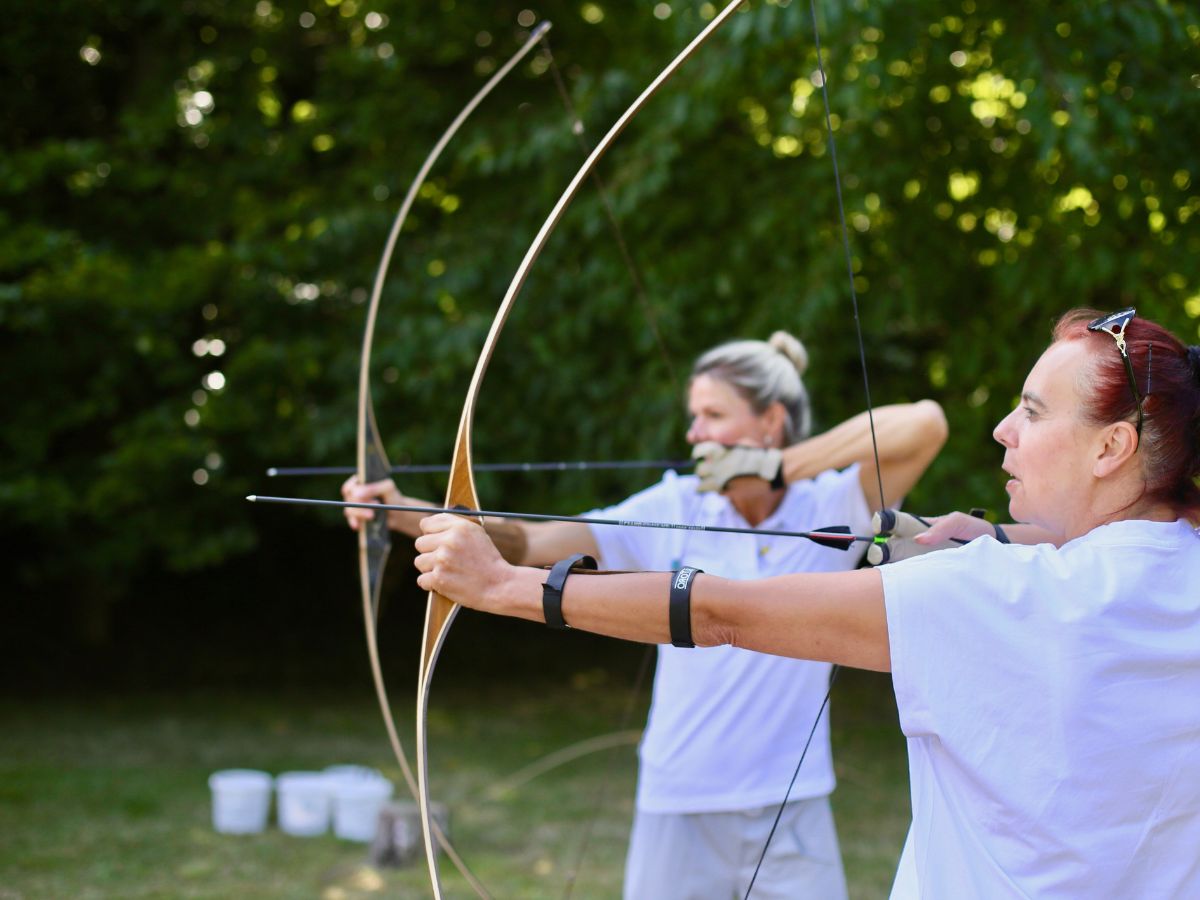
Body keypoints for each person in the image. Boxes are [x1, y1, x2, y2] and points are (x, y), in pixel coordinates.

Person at [413, 309, 1200, 897]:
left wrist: (499, 589)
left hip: (787, 804)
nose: (1002, 430)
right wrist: (417, 514)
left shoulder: (979, 590)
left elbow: (723, 611)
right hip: (683, 795)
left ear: (1112, 447)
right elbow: (541, 535)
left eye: (1031, 411)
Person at [344, 331, 948, 898]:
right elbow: (528, 545)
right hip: (679, 800)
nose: (694, 433)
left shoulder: (835, 503)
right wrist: (399, 512)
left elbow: (925, 423)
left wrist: (777, 469)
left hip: (793, 803)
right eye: (694, 416)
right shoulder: (672, 504)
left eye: (713, 416)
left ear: (770, 422)